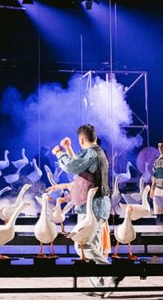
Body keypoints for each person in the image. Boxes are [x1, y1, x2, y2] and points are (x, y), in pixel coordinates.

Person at [48, 124, 120, 297]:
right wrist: (68, 148)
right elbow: (79, 165)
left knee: (84, 244)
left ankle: (112, 273)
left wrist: (59, 153)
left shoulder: (91, 154)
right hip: (94, 205)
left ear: (81, 139)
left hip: (92, 206)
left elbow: (71, 166)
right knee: (88, 245)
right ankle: (98, 286)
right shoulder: (97, 153)